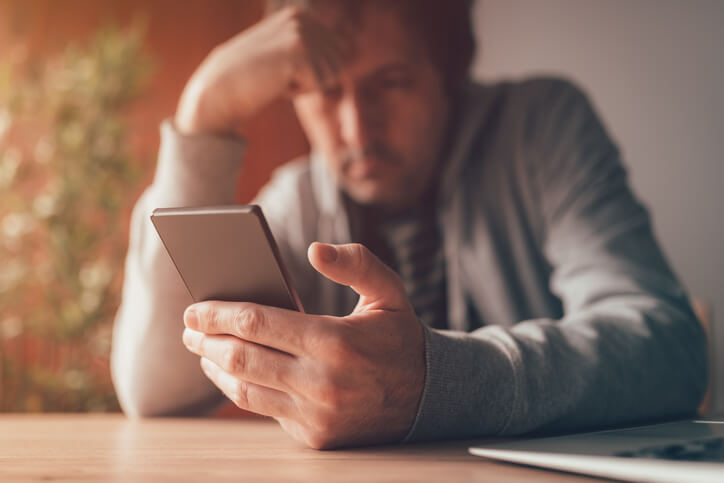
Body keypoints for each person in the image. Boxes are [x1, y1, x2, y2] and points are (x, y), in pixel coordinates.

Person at [111, 0, 707, 449]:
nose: (358, 129)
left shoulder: (541, 128)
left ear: (450, 74)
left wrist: (432, 381)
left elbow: (667, 346)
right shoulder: (295, 198)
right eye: (325, 92)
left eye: (390, 84)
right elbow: (153, 391)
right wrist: (206, 114)